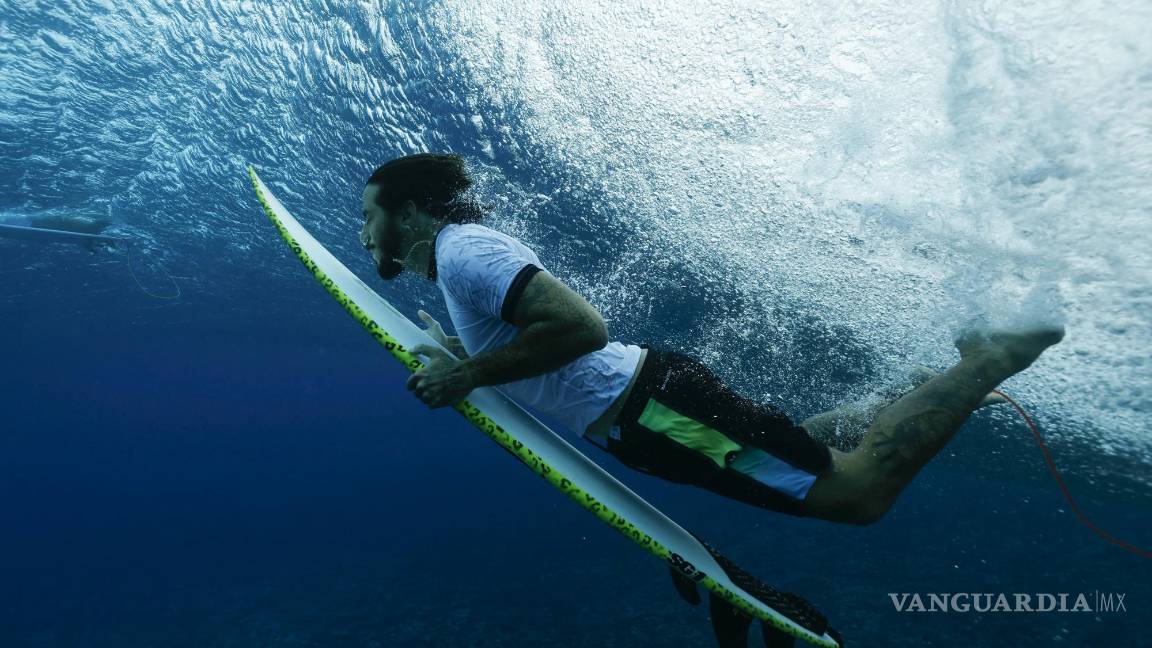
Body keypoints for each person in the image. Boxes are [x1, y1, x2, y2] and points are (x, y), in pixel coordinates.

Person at [359, 152, 1064, 525]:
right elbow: (536, 341)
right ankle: (920, 391)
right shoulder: (459, 259)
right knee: (804, 445)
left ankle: (998, 355)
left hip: (652, 412)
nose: (364, 233)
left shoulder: (461, 253)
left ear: (413, 211)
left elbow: (580, 327)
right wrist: (470, 359)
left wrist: (470, 377)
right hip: (645, 415)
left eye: (371, 215)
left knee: (852, 494)